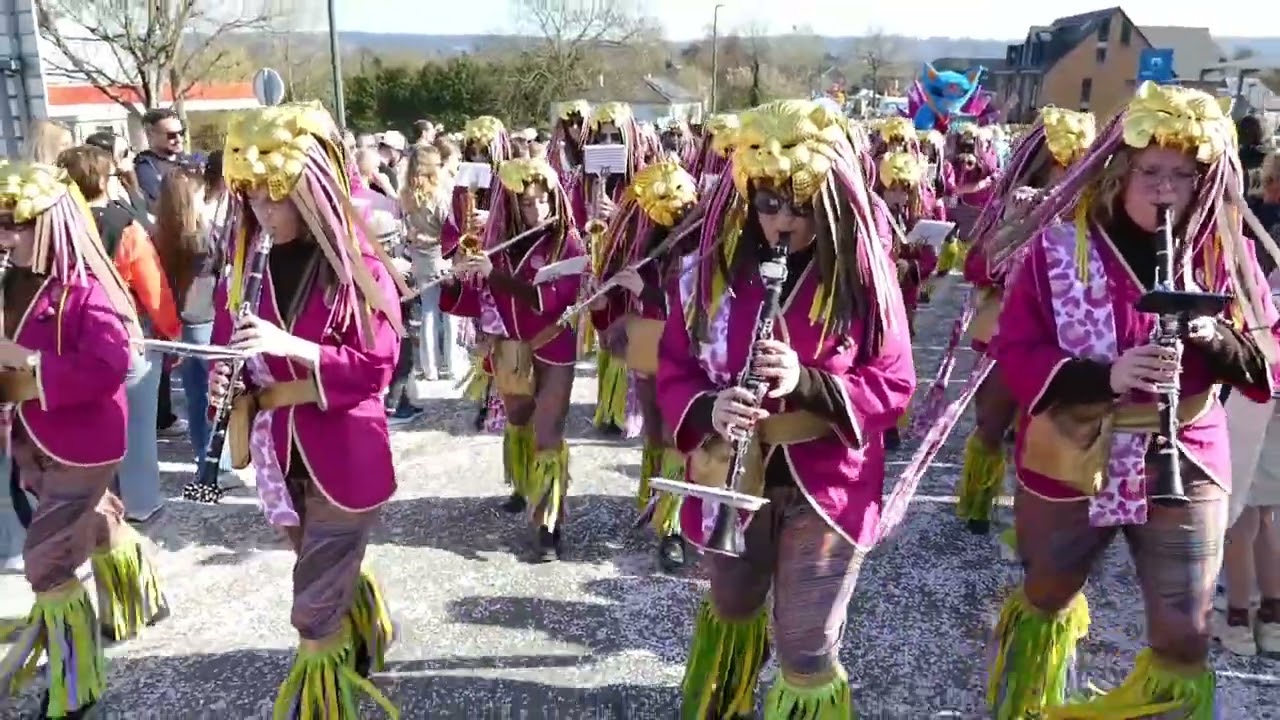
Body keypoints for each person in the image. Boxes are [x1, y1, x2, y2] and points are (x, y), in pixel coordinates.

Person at [984, 81, 1279, 718]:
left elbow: (1268, 355)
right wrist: (1104, 377)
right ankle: (1029, 702)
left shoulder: (1225, 252)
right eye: (1151, 172)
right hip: (1073, 444)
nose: (1165, 188)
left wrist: (1213, 335)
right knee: (1047, 590)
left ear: (1203, 181)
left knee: (1185, 631)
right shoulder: (1058, 247)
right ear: (1120, 171)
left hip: (1185, 450)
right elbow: (1016, 349)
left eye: (1183, 175)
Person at [659, 100, 915, 717]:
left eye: (800, 207)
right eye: (768, 204)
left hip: (826, 482)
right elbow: (673, 366)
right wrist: (709, 407)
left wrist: (808, 382)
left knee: (807, 645)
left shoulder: (864, 280)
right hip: (731, 470)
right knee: (732, 605)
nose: (782, 221)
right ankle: (728, 699)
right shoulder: (708, 274)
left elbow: (894, 384)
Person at [211, 101, 401, 716]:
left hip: (344, 449)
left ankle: (322, 699)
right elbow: (225, 348)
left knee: (311, 602)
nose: (262, 210)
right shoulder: (245, 271)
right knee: (317, 563)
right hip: (278, 448)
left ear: (309, 190)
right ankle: (361, 622)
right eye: (252, 196)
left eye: (275, 195)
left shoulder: (357, 268)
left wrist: (295, 347)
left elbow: (377, 366)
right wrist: (225, 383)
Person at [0, 161, 169, 719]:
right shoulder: (11, 280)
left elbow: (110, 364)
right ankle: (138, 597)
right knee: (95, 519)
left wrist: (28, 361)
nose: (4, 236)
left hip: (84, 439)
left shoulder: (86, 288)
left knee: (46, 560)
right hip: (33, 434)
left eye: (14, 224)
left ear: (47, 224)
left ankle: (75, 682)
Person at [952, 107, 1096, 538]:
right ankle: (978, 500)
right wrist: (1015, 226)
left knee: (1043, 436)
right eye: (1059, 167)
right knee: (991, 424)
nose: (1065, 178)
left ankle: (1034, 519)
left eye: (1075, 168)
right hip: (1005, 334)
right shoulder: (1008, 206)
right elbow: (977, 268)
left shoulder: (1093, 216)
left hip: (1063, 340)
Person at [440, 156, 584, 561]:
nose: (537, 210)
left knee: (549, 431)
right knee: (519, 418)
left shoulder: (568, 244)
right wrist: (454, 280)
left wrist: (494, 274)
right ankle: (523, 484)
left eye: (543, 201)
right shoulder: (494, 244)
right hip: (509, 349)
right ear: (513, 206)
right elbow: (473, 300)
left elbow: (549, 300)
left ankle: (548, 523)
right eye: (527, 203)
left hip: (553, 346)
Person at [588, 160, 700, 572]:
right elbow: (617, 303)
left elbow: (698, 305)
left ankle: (674, 530)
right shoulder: (644, 243)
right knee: (654, 433)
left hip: (683, 346)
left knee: (674, 436)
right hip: (647, 337)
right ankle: (658, 504)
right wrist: (604, 303)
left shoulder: (702, 244)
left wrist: (647, 291)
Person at [61, 144, 182, 524]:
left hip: (72, 336)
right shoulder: (125, 225)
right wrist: (171, 332)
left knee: (91, 425)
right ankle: (142, 503)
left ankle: (98, 503)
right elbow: (152, 285)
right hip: (125, 333)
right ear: (103, 179)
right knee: (138, 427)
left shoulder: (56, 227)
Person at [153, 161, 238, 485]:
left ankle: (205, 459)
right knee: (211, 395)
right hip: (204, 318)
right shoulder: (202, 237)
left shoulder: (159, 233)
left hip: (178, 319)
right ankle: (215, 464)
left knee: (195, 395)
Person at [401, 144, 458, 381]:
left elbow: (406, 227)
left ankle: (429, 367)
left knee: (428, 311)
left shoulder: (406, 194)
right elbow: (449, 229)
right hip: (441, 256)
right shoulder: (439, 195)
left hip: (419, 257)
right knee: (451, 312)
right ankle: (451, 364)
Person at [133, 108, 192, 207]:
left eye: (181, 133)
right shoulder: (146, 168)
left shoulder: (187, 161)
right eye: (171, 135)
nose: (179, 139)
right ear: (151, 135)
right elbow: (168, 203)